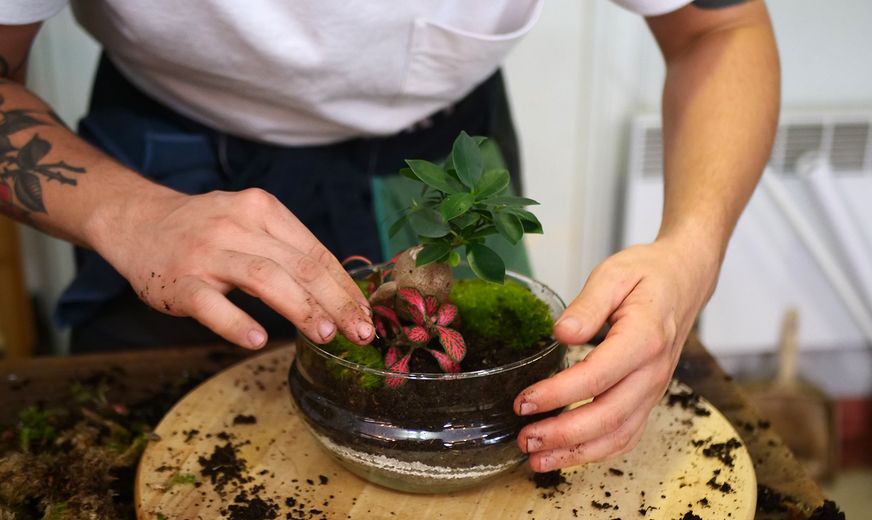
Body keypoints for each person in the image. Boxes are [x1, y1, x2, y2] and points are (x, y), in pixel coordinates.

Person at [0, 0, 779, 472]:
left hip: (442, 164)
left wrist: (691, 250)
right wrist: (127, 213)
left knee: (477, 431)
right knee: (151, 444)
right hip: (162, 173)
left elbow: (721, 27)